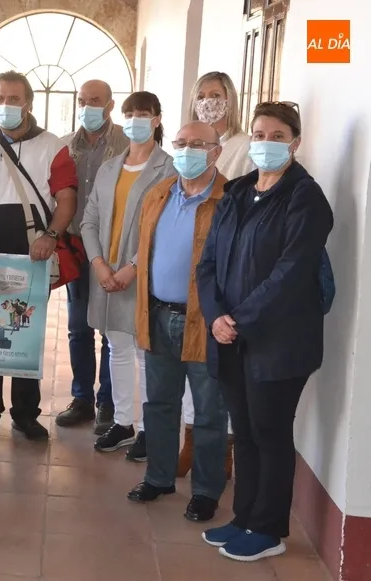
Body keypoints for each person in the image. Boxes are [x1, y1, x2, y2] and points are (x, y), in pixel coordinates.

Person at [197, 101, 333, 562]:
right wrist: (216, 315)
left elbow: (291, 273)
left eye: (278, 136)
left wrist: (239, 320)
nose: (266, 144)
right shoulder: (236, 192)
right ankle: (244, 517)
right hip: (231, 337)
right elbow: (209, 262)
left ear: (295, 143)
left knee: (271, 432)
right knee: (246, 432)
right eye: (259, 134)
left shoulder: (305, 198)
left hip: (278, 341)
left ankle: (270, 528)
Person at [0, 70, 78, 442]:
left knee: (26, 331)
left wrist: (51, 236)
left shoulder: (53, 146)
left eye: (14, 98)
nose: (6, 105)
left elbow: (66, 197)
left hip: (33, 250)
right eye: (0, 98)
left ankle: (26, 414)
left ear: (29, 103)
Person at [125, 121, 229, 523]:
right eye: (181, 144)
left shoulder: (229, 199)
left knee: (208, 413)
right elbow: (144, 252)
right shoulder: (160, 193)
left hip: (204, 323)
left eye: (196, 145)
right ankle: (159, 476)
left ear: (215, 152)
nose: (186, 151)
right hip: (158, 314)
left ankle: (205, 490)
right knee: (160, 404)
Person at [79, 91, 176, 461]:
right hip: (106, 273)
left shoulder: (168, 168)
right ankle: (122, 422)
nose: (135, 120)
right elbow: (89, 220)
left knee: (143, 353)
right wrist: (99, 264)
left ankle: (151, 431)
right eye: (129, 113)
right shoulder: (109, 166)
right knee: (116, 347)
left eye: (143, 114)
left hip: (143, 275)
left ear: (156, 119)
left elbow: (165, 225)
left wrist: (133, 267)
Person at [178, 71, 249, 479]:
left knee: (216, 365)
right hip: (192, 260)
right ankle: (189, 439)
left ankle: (220, 449)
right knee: (190, 361)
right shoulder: (189, 143)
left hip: (229, 262)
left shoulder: (242, 146)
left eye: (217, 95)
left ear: (230, 99)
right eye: (202, 95)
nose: (209, 101)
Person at [56, 79, 129, 434]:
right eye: (83, 101)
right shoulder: (67, 147)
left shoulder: (127, 145)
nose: (88, 107)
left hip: (111, 248)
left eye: (96, 101)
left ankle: (109, 403)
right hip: (76, 247)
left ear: (111, 105)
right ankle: (82, 397)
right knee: (78, 326)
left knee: (110, 328)